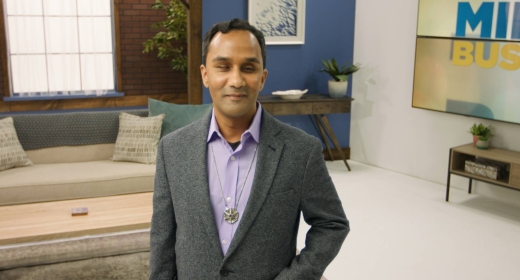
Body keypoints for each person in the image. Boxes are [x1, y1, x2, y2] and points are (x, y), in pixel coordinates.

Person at [149, 18, 349, 280]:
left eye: (248, 68)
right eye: (223, 67)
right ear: (205, 75)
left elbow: (332, 224)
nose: (236, 80)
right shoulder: (172, 150)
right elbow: (163, 239)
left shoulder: (301, 150)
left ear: (262, 78)